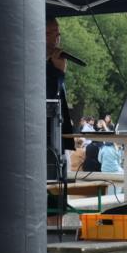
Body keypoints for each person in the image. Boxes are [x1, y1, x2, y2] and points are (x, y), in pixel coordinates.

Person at [45, 18, 76, 154]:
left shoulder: (53, 63)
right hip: (45, 141)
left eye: (58, 35)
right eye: (48, 34)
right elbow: (48, 100)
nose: (55, 40)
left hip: (56, 140)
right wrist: (58, 73)